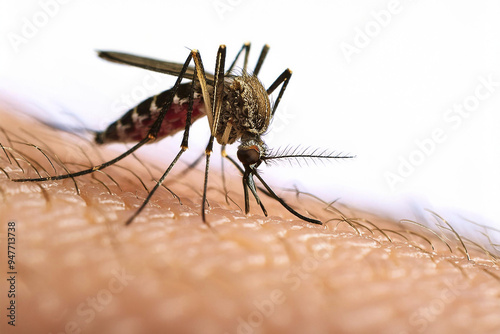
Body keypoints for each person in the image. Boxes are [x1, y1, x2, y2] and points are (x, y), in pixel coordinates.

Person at [1, 104, 499, 334]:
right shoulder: (236, 122)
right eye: (251, 157)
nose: (249, 161)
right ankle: (127, 155)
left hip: (216, 102)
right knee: (205, 72)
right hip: (188, 97)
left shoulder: (249, 130)